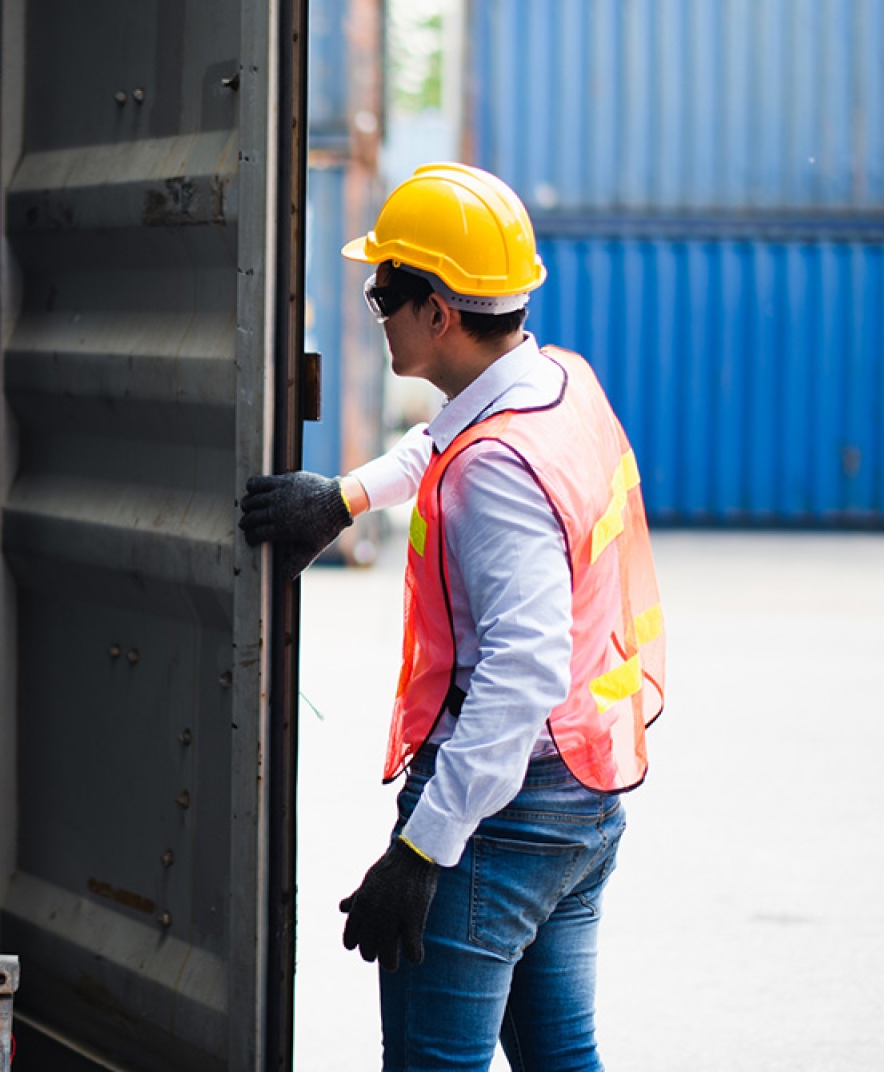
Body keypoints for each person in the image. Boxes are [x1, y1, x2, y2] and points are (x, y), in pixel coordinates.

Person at [240, 163, 666, 1072]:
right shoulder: (554, 381)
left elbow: (521, 672)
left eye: (381, 292)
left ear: (437, 311)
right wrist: (346, 498)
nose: (373, 308)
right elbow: (441, 438)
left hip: (503, 817)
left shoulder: (495, 473)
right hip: (582, 793)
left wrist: (424, 850)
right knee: (563, 1056)